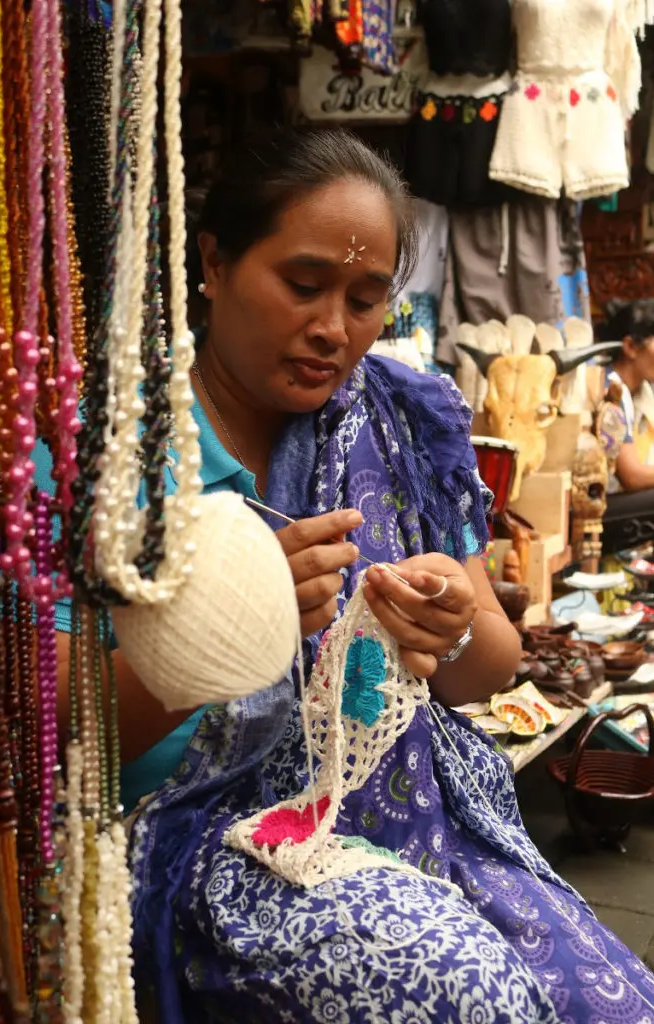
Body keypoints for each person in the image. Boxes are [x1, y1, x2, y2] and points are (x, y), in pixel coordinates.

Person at [40, 129, 654, 1022]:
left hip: (404, 812)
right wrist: (231, 633)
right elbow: (37, 726)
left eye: (365, 299)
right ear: (212, 262)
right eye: (302, 285)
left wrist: (444, 616)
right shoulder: (103, 449)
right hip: (197, 842)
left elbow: (489, 666)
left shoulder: (393, 422)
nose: (334, 328)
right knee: (462, 991)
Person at [597, 300, 654, 553]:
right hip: (599, 510)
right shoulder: (610, 387)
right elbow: (632, 476)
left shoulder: (642, 391)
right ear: (630, 346)